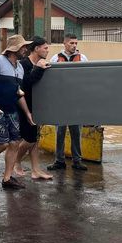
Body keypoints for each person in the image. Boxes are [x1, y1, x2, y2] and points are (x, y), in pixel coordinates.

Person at [0, 34, 36, 190]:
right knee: (2, 143)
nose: (26, 50)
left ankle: (7, 179)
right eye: (23, 47)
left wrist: (27, 113)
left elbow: (18, 92)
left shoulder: (20, 67)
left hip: (12, 109)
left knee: (15, 142)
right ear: (14, 49)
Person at [14, 36, 53, 180]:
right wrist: (38, 68)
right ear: (36, 49)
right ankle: (15, 160)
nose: (47, 51)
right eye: (45, 48)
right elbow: (25, 85)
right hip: (24, 106)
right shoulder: (23, 64)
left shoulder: (43, 64)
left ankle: (36, 170)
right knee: (29, 139)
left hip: (38, 107)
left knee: (35, 140)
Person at [47, 33, 89, 172]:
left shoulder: (83, 59)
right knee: (60, 132)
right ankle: (59, 161)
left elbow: (88, 79)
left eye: (76, 43)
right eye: (71, 43)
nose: (74, 45)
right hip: (60, 102)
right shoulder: (55, 59)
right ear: (64, 44)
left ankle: (77, 161)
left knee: (76, 131)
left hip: (76, 102)